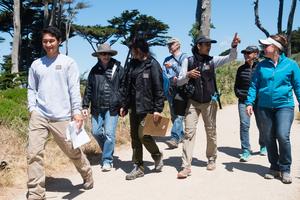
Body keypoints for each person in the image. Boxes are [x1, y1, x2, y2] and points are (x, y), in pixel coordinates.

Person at [27, 26, 93, 200]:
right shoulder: (36, 64)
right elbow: (31, 89)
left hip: (62, 116)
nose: (48, 44)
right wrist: (32, 109)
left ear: (59, 42)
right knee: (33, 153)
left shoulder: (68, 63)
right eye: (45, 41)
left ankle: (86, 172)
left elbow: (73, 89)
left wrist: (76, 112)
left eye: (52, 41)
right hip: (39, 115)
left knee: (72, 151)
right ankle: (36, 192)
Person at [176, 33, 240, 179]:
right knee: (189, 133)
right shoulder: (188, 60)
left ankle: (211, 158)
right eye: (206, 44)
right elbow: (179, 81)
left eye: (210, 44)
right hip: (192, 101)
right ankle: (186, 166)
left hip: (209, 102)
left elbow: (231, 58)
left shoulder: (213, 61)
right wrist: (187, 75)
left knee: (211, 131)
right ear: (198, 46)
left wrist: (234, 46)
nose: (209, 47)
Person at [246, 34, 300, 184]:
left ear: (276, 48)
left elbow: (298, 86)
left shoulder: (291, 65)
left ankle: (285, 168)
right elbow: (254, 85)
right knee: (268, 137)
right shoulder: (261, 66)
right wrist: (249, 102)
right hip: (264, 107)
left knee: (282, 135)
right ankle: (274, 167)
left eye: (266, 46)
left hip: (284, 106)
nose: (263, 48)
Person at [120, 38, 164, 180]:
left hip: (148, 108)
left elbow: (158, 88)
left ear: (139, 50)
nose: (132, 53)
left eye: (133, 50)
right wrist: (124, 105)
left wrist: (158, 109)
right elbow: (127, 86)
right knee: (135, 138)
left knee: (143, 135)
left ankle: (157, 155)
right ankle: (138, 166)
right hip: (134, 107)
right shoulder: (131, 65)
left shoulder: (153, 65)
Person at [82, 43, 124, 172]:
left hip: (112, 107)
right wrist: (85, 105)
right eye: (102, 53)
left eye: (107, 53)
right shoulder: (94, 70)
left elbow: (123, 88)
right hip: (96, 107)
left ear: (110, 54)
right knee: (95, 132)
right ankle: (108, 149)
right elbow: (89, 88)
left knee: (109, 134)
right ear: (99, 55)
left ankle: (107, 160)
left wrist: (123, 104)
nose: (105, 56)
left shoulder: (119, 69)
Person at [234, 45, 266, 162]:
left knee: (262, 124)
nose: (246, 55)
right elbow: (236, 86)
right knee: (244, 125)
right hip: (243, 101)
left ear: (256, 54)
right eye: (245, 53)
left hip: (259, 101)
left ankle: (263, 145)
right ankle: (246, 150)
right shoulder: (240, 69)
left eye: (249, 53)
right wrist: (240, 95)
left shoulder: (262, 67)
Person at [162, 38, 188, 149]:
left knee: (179, 114)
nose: (169, 46)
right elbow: (164, 73)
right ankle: (181, 135)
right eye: (168, 45)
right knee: (173, 114)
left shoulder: (185, 57)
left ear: (178, 45)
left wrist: (173, 66)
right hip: (170, 89)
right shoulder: (166, 59)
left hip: (181, 89)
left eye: (171, 44)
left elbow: (184, 73)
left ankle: (174, 138)